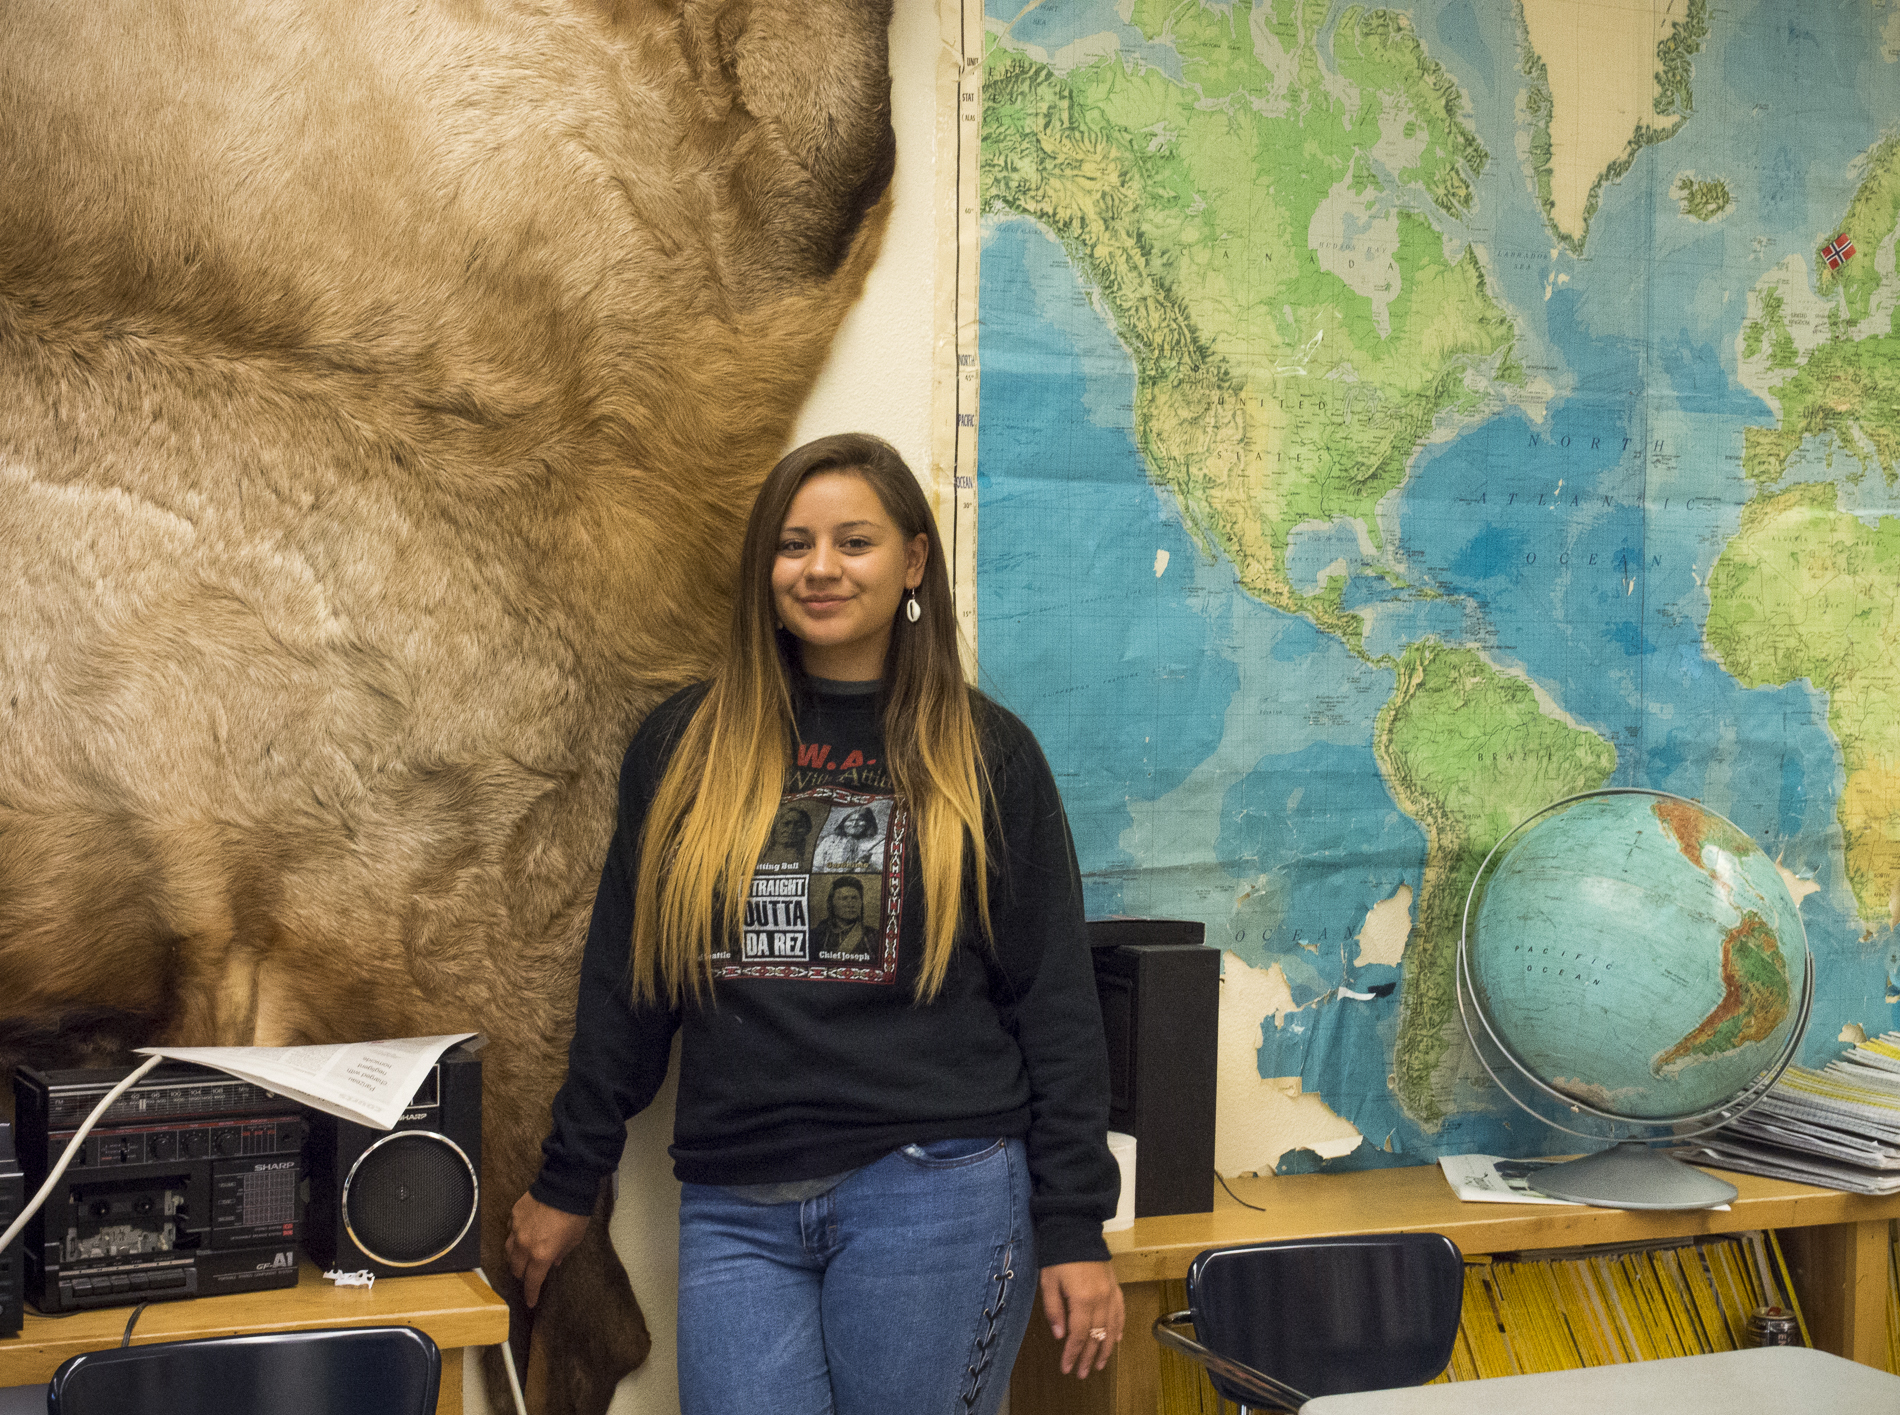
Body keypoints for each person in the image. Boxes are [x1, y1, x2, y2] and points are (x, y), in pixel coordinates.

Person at [506, 432, 1124, 1415]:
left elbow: (1054, 1002)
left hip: (937, 1188)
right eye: (793, 544)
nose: (821, 567)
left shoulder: (984, 754)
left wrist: (1076, 1223)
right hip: (734, 1202)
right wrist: (568, 1176)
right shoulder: (682, 746)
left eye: (854, 541)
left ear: (912, 560)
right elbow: (627, 988)